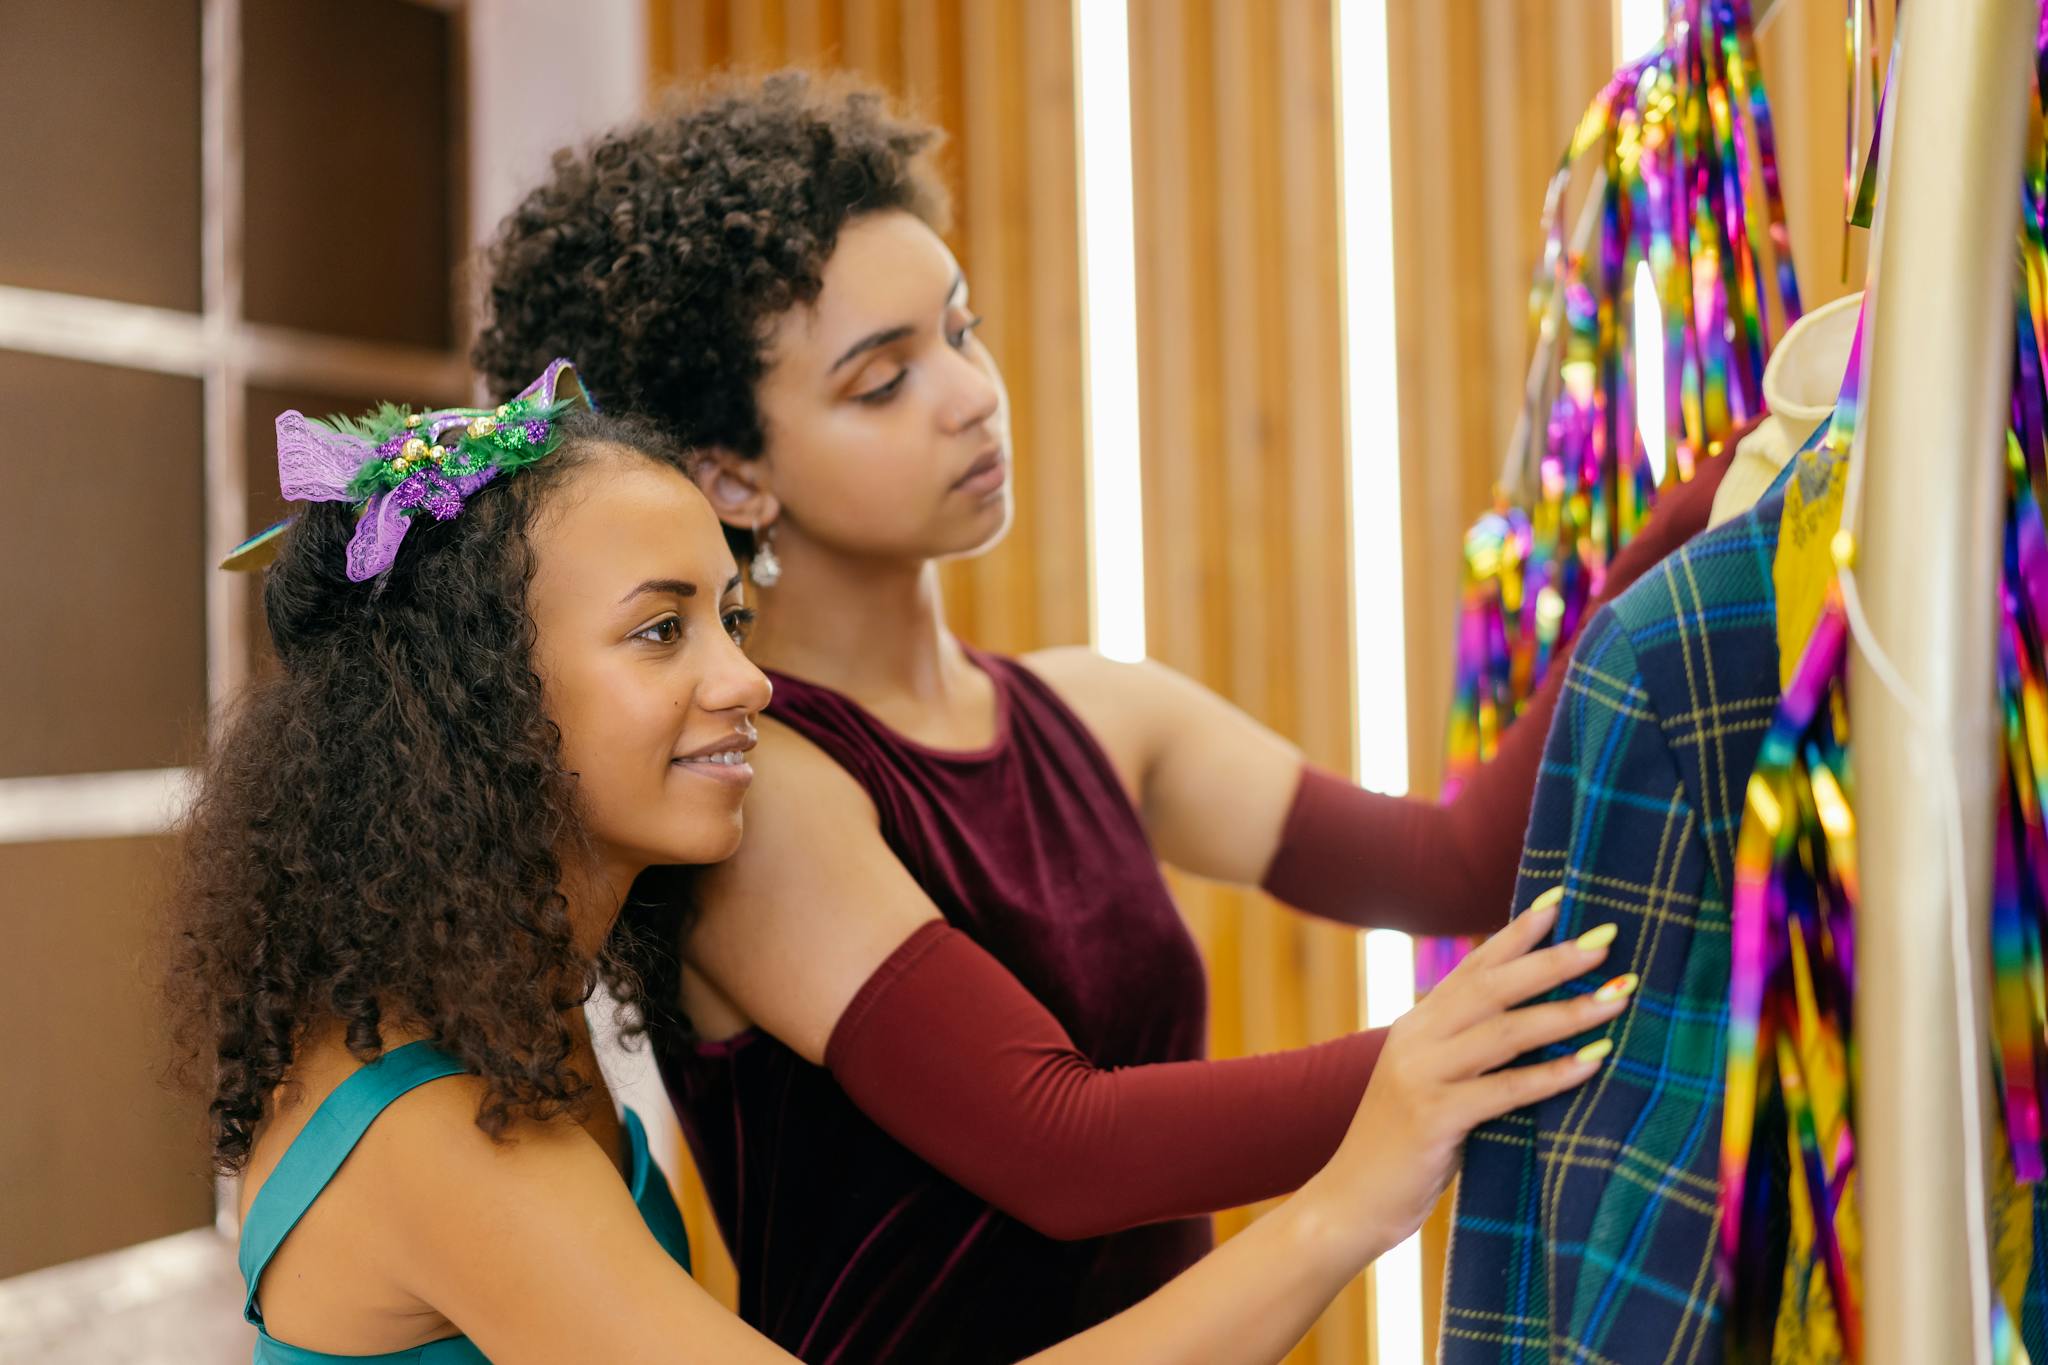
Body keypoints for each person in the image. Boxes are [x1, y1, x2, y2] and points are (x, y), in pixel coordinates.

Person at [472, 72, 1728, 1360]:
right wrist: (1432, 1066)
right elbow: (1059, 1144)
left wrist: (1701, 516)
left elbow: (1451, 863)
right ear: (729, 472)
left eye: (961, 332)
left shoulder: (1097, 711)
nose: (969, 395)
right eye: (882, 381)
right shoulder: (759, 785)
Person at [163, 369, 1628, 1364]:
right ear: (473, 703)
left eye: (733, 618)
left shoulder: (513, 1040)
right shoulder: (435, 1122)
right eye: (663, 630)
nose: (747, 683)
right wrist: (1341, 1204)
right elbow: (1061, 1136)